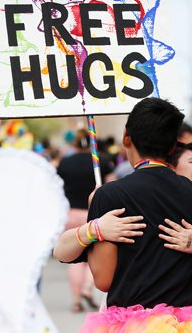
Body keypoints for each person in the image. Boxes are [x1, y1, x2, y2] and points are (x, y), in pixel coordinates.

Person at [55, 97, 192, 332]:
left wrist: (95, 227)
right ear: (172, 147)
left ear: (126, 138)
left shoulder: (110, 197)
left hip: (133, 325)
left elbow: (104, 280)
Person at [56, 129, 115, 312]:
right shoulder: (102, 162)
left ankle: (75, 300)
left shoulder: (65, 163)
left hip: (71, 213)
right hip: (95, 211)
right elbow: (111, 186)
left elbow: (57, 187)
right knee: (93, 254)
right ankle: (88, 288)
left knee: (76, 258)